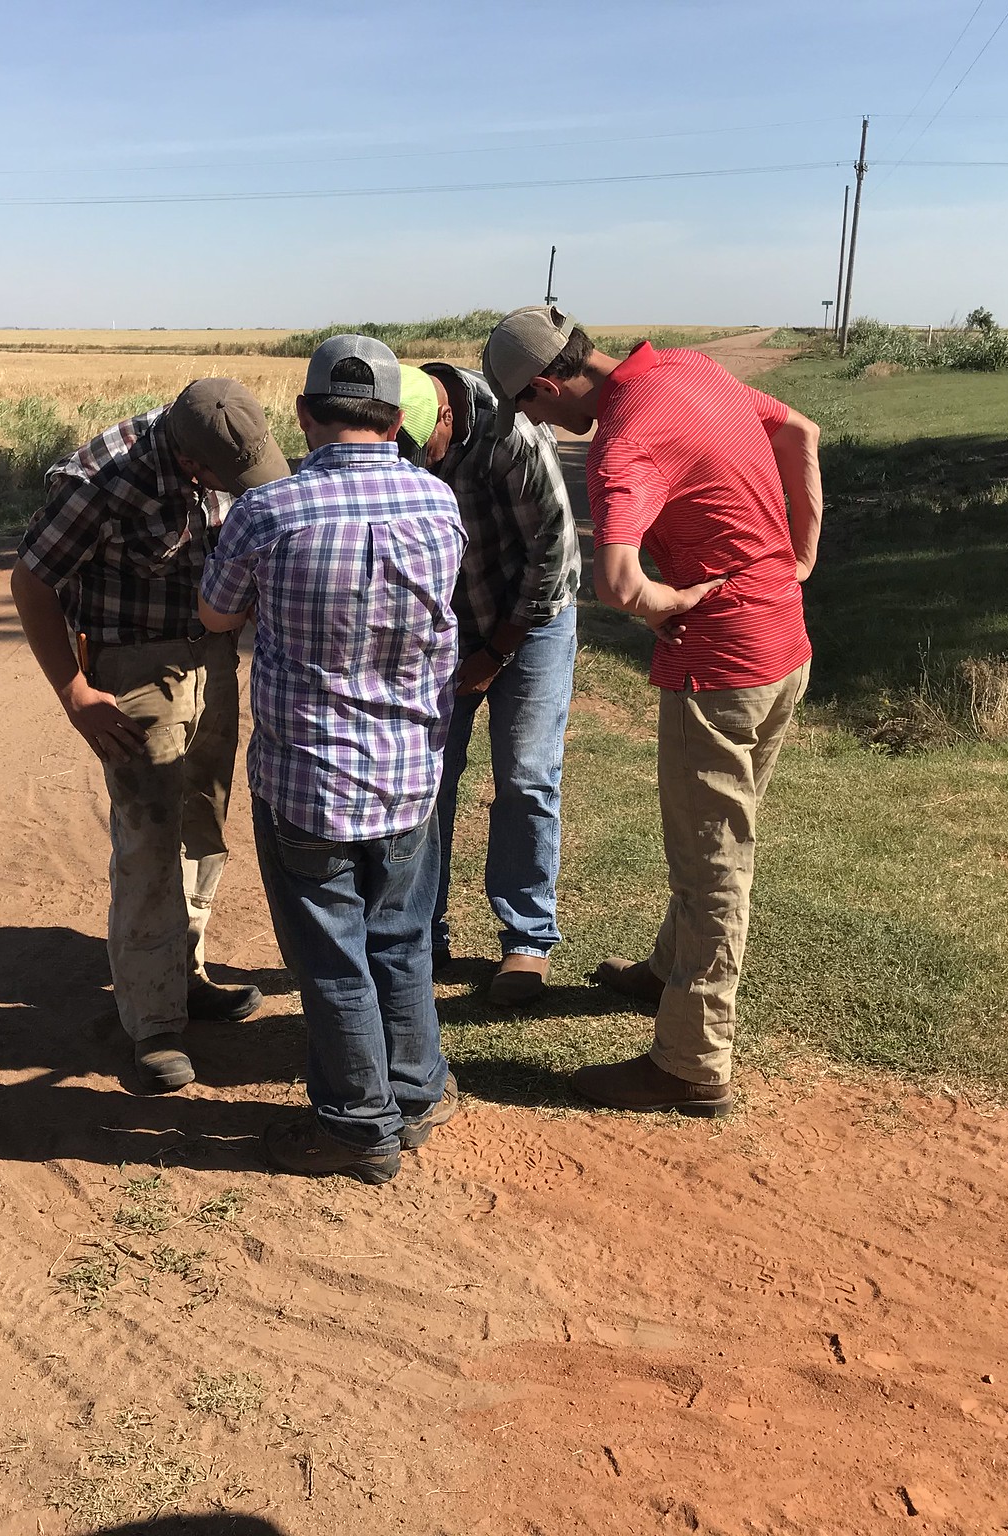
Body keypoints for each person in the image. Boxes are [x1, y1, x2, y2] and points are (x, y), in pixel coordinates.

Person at [482, 305, 823, 1117]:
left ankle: (690, 1064)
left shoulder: (621, 443)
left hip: (719, 670)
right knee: (714, 836)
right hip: (784, 650)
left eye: (529, 407)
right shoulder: (689, 370)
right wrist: (799, 557)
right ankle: (668, 974)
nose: (535, 423)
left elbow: (617, 584)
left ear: (543, 384)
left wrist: (666, 601)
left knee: (713, 866)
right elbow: (800, 434)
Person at [199, 336, 466, 1183]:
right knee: (399, 936)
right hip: (412, 773)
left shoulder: (270, 512)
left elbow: (215, 616)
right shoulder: (438, 505)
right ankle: (418, 1091)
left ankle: (357, 1127)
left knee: (332, 958)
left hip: (307, 779)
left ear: (305, 416)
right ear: (395, 419)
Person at [9, 379, 290, 1090]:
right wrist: (75, 692)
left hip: (211, 656)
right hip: (133, 667)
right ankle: (153, 1021)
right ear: (191, 463)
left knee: (203, 825)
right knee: (148, 842)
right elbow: (31, 583)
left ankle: (186, 973)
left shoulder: (229, 447)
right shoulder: (102, 480)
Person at [395, 362, 580, 1006]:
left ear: (446, 417)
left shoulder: (513, 438)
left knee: (526, 772)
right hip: (450, 625)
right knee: (430, 776)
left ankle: (527, 938)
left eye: (422, 449)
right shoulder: (393, 430)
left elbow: (552, 554)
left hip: (533, 621)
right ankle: (423, 929)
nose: (413, 462)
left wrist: (498, 650)